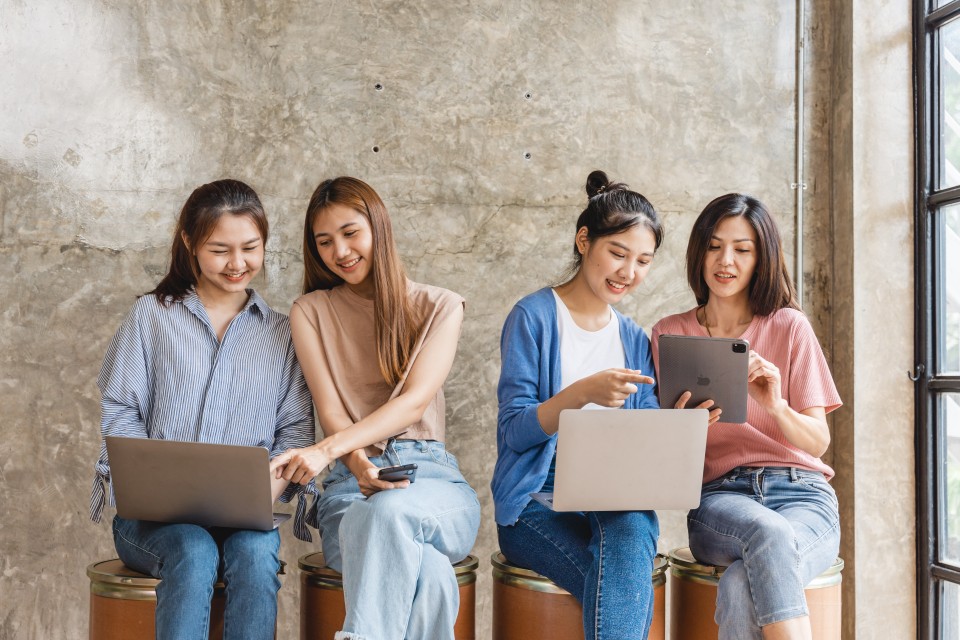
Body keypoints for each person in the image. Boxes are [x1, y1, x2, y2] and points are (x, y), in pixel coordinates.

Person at [491, 170, 718, 640]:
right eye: (617, 253)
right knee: (620, 580)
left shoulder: (634, 338)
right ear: (583, 241)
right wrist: (579, 396)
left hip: (614, 492)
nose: (628, 273)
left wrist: (681, 426)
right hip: (536, 499)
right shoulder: (533, 317)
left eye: (643, 261)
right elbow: (514, 430)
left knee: (634, 528)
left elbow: (646, 429)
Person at [90, 179, 316, 639]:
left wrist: (262, 492)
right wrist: (146, 480)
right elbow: (120, 408)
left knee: (255, 556)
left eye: (250, 248)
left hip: (248, 516)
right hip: (154, 523)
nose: (238, 264)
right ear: (190, 243)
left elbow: (294, 428)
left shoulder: (282, 333)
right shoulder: (151, 316)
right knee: (193, 550)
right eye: (220, 250)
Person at [270, 176, 480, 640]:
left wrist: (325, 451)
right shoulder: (310, 311)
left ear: (378, 227)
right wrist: (355, 462)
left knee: (389, 514)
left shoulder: (439, 305)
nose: (340, 251)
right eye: (324, 242)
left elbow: (414, 403)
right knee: (429, 574)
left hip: (433, 483)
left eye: (350, 233)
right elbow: (331, 411)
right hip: (349, 489)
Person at [652, 193, 842, 640]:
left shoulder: (789, 327)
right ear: (700, 251)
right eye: (715, 246)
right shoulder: (670, 333)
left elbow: (817, 442)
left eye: (742, 249)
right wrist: (684, 427)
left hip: (802, 496)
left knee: (741, 584)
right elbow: (663, 462)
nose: (726, 261)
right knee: (768, 534)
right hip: (721, 499)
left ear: (762, 258)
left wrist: (775, 404)